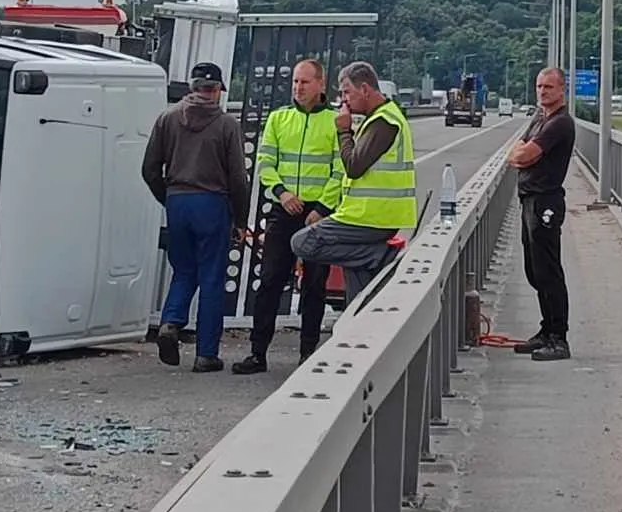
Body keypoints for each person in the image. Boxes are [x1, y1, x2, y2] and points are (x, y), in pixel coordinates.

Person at [235, 59, 344, 375]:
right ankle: (258, 353)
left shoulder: (336, 121)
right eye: (295, 82)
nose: (298, 88)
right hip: (285, 209)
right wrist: (282, 192)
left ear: (321, 85)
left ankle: (308, 354)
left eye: (305, 82)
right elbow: (265, 163)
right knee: (269, 281)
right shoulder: (278, 119)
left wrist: (321, 208)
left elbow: (340, 170)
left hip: (318, 214)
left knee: (314, 285)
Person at [141, 61, 249, 373]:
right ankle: (206, 354)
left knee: (184, 270)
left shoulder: (167, 118)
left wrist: (168, 197)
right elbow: (238, 179)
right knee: (212, 277)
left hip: (177, 201)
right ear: (216, 90)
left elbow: (149, 169)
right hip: (212, 204)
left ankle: (171, 322)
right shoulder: (227, 124)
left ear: (192, 86)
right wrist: (240, 221)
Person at [292, 61, 416, 304]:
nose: (343, 100)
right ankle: (357, 319)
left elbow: (354, 166)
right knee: (356, 279)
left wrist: (343, 131)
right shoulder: (378, 118)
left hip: (371, 217)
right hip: (367, 215)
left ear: (365, 90)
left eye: (347, 92)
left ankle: (378, 255)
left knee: (303, 242)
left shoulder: (384, 121)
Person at [508, 65, 573, 361]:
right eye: (539, 86)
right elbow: (516, 152)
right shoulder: (539, 118)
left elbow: (523, 154)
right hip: (529, 198)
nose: (542, 91)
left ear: (561, 90)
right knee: (534, 270)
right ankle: (545, 330)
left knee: (548, 270)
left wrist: (523, 155)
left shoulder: (559, 123)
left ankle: (558, 337)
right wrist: (522, 154)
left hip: (545, 201)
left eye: (548, 87)